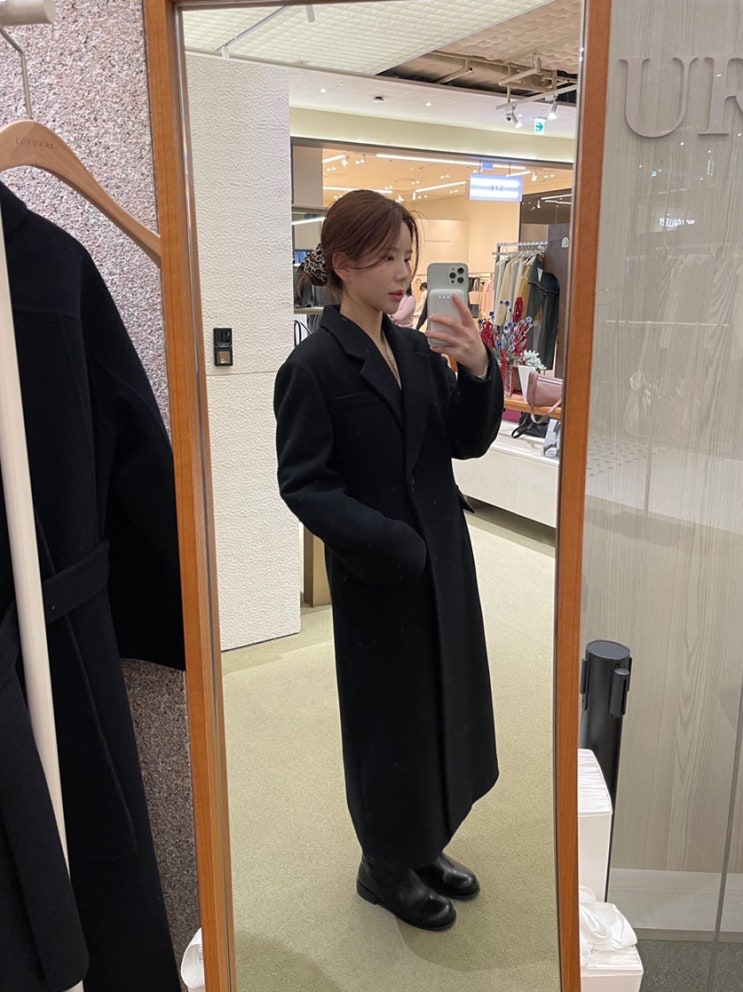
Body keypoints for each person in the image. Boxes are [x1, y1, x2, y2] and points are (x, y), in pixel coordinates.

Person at [273, 189, 502, 932]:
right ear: (343, 264)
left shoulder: (416, 350)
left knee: (442, 703)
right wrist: (392, 544)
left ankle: (424, 842)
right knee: (388, 722)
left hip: (444, 566)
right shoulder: (312, 366)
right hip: (379, 576)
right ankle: (384, 865)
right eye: (388, 258)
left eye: (409, 256)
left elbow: (463, 442)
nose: (405, 272)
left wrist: (477, 370)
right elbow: (305, 484)